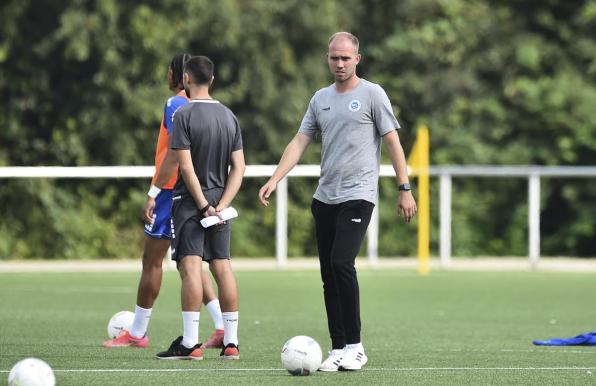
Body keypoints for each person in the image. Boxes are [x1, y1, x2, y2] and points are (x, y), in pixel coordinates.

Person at [258, 32, 417, 371]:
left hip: (358, 196)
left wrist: (404, 187)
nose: (340, 63)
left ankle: (357, 346)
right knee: (329, 274)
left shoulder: (373, 94)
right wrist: (275, 178)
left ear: (357, 58)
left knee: (342, 262)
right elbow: (300, 141)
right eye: (334, 58)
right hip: (324, 198)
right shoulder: (320, 99)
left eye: (346, 58)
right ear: (327, 58)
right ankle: (338, 347)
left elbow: (393, 143)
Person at [103, 53, 225, 350]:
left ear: (179, 75)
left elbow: (173, 155)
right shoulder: (209, 108)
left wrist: (154, 193)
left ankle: (137, 333)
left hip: (171, 191)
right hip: (201, 190)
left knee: (152, 262)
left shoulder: (176, 104)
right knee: (192, 264)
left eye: (169, 70)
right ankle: (222, 327)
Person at [155, 55, 245, 361]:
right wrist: (223, 204)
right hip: (220, 201)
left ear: (187, 79)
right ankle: (231, 343)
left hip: (192, 203)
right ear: (213, 80)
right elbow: (239, 167)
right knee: (222, 266)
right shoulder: (229, 116)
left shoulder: (184, 115)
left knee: (191, 267)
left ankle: (190, 344)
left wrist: (204, 205)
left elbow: (186, 168)